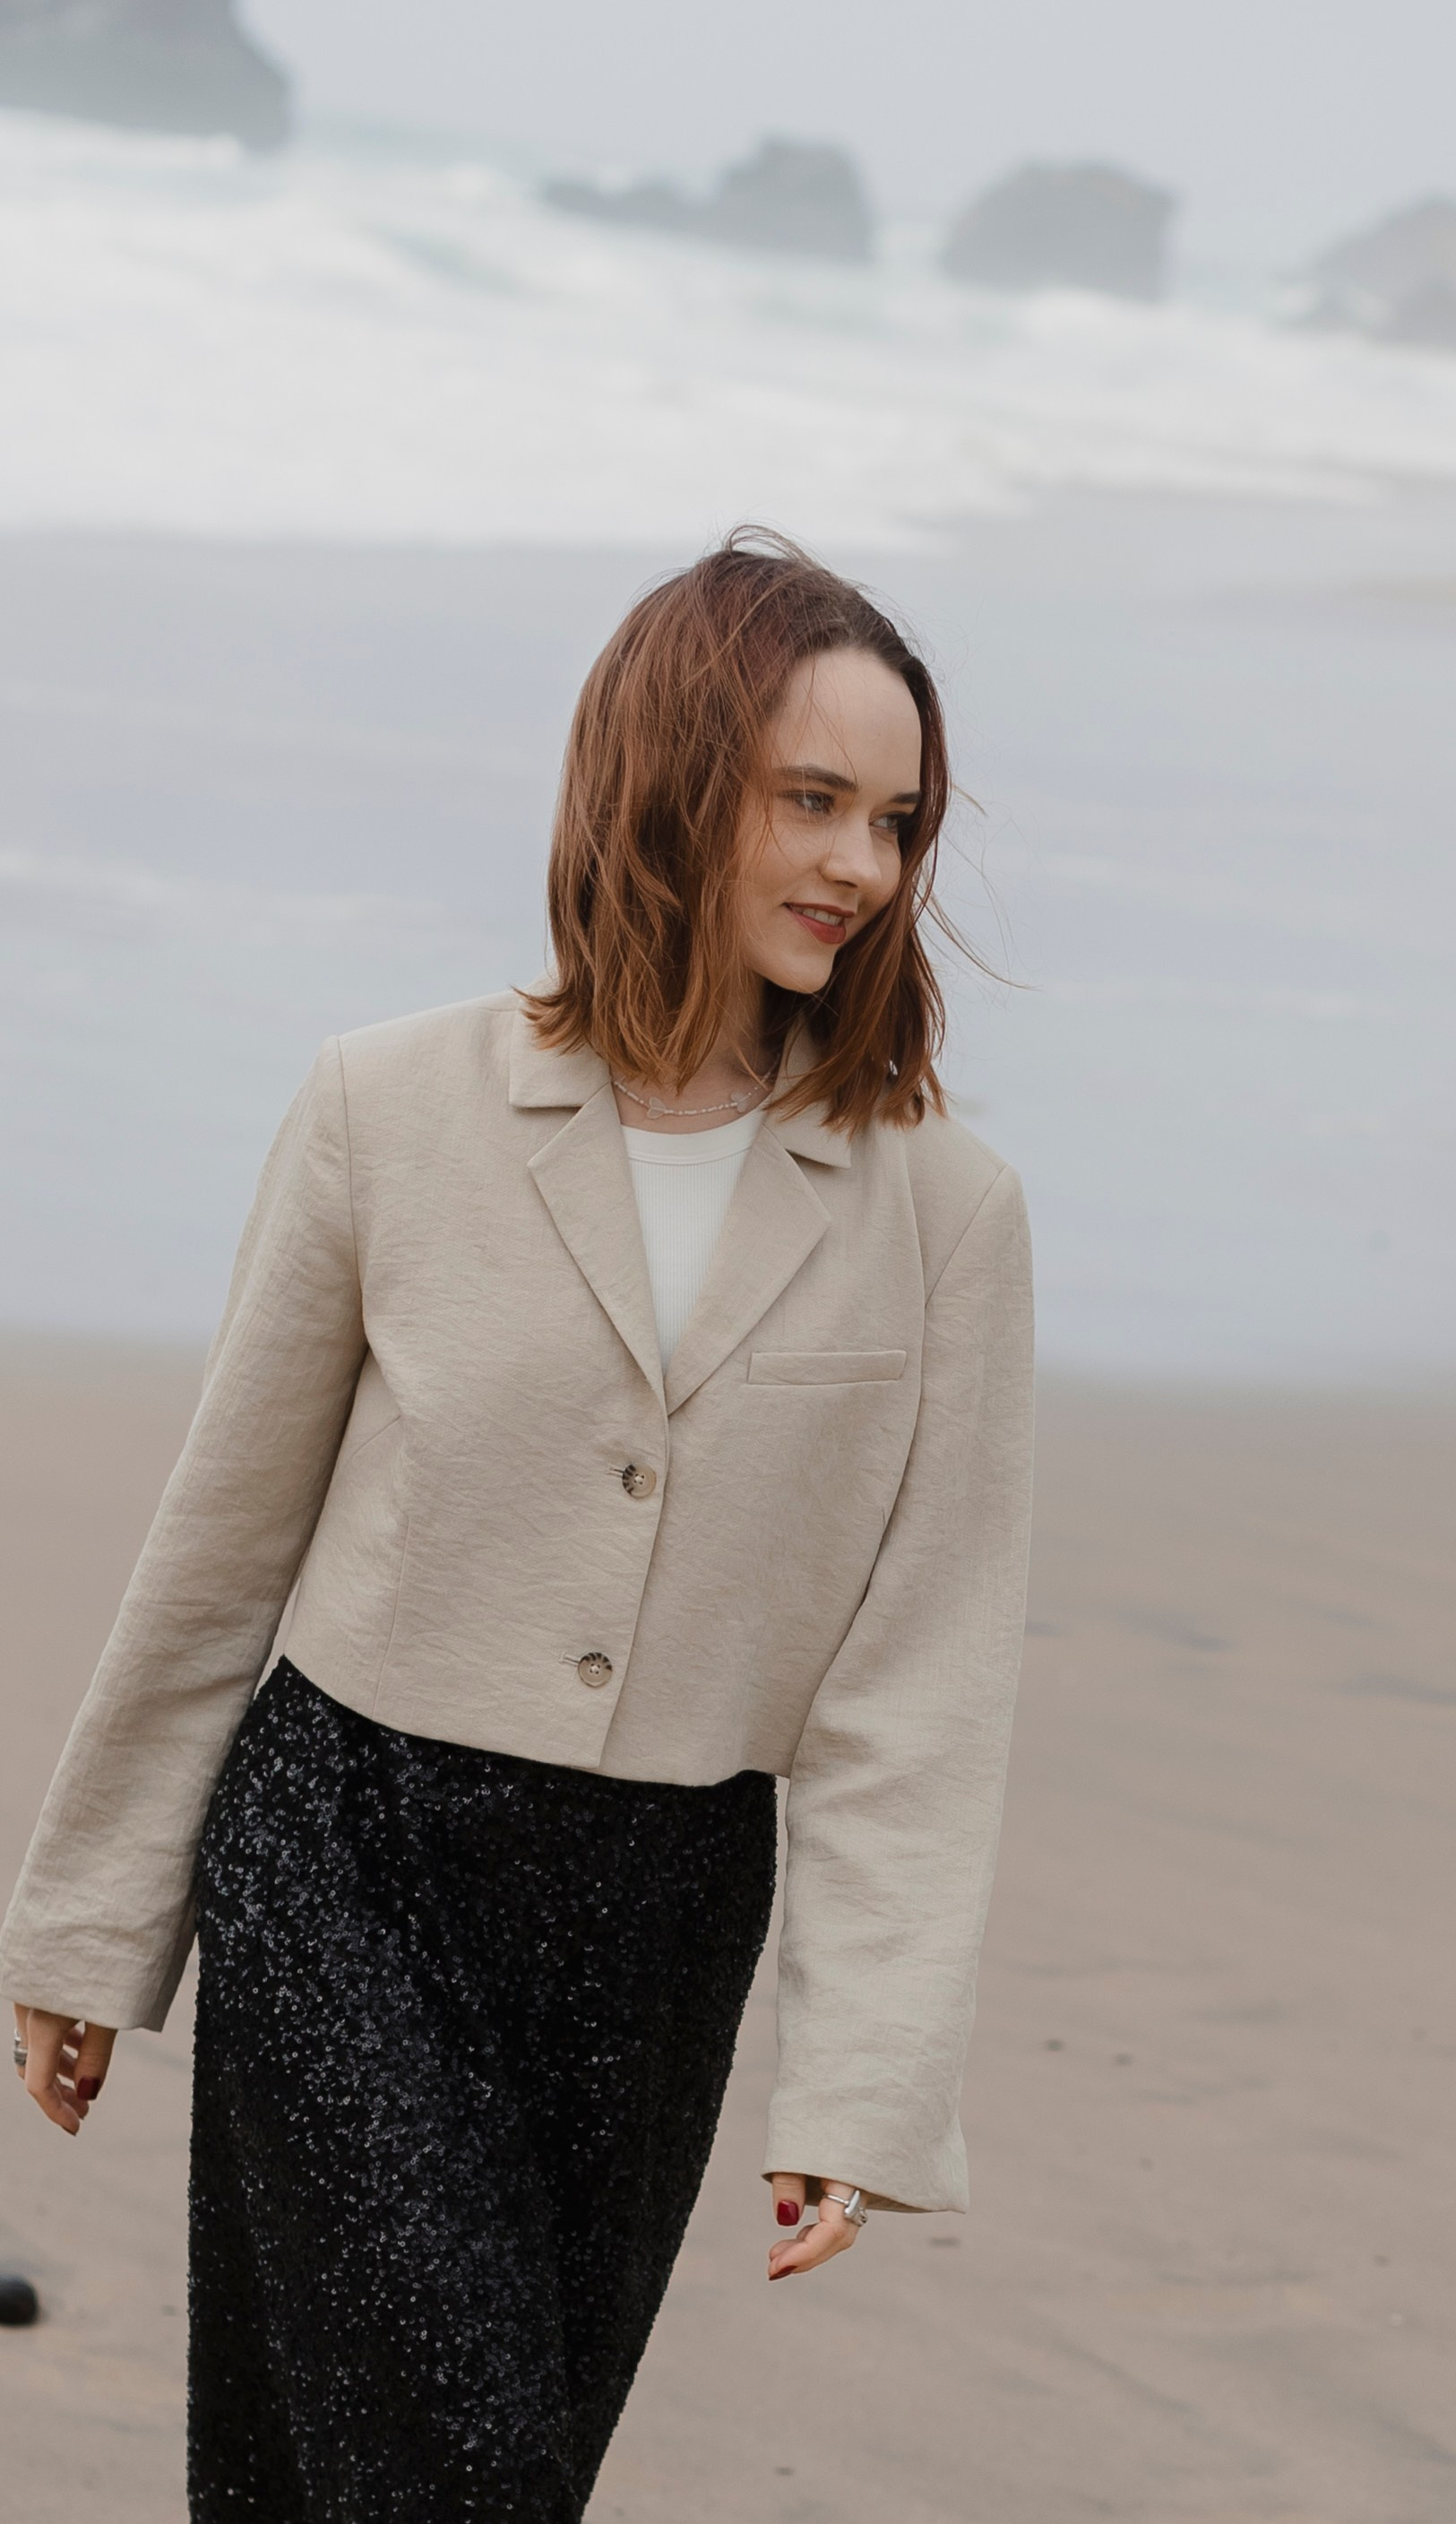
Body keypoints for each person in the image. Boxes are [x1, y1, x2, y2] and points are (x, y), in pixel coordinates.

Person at [2, 529, 1035, 2521]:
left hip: (658, 1923)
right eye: (807, 798)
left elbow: (922, 1685)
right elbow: (217, 1553)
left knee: (401, 2477)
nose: (859, 864)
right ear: (665, 783)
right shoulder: (384, 1109)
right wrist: (91, 1916)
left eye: (894, 817)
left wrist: (862, 2080)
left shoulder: (944, 1214)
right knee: (451, 2475)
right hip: (343, 1865)